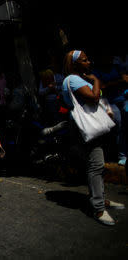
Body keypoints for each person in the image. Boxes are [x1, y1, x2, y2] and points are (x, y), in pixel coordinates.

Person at [62, 50, 125, 225]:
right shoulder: (73, 80)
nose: (89, 62)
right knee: (95, 164)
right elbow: (95, 97)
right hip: (86, 126)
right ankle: (98, 209)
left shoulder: (79, 79)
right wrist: (96, 81)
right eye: (84, 60)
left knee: (96, 163)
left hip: (90, 125)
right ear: (75, 64)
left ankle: (100, 199)